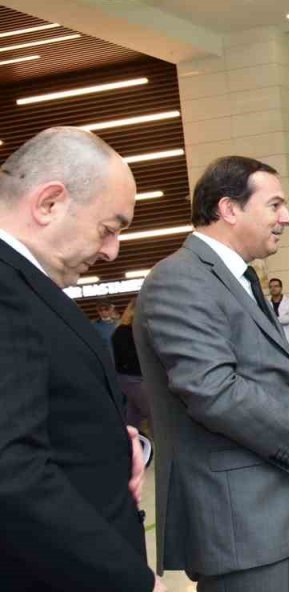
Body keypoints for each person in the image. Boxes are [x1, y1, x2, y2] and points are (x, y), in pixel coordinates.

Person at [136, 156, 289, 591]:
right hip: (241, 523)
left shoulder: (239, 277)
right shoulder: (180, 279)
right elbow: (213, 390)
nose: (287, 218)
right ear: (229, 208)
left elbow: (273, 376)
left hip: (280, 513)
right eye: (274, 205)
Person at [0, 127, 162, 591]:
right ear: (49, 203)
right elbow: (12, 472)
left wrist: (115, 442)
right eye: (108, 229)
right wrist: (134, 583)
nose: (111, 251)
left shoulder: (26, 285)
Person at [112, 299, 151, 431]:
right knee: (152, 412)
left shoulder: (135, 331)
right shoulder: (123, 332)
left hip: (134, 376)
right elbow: (128, 357)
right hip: (132, 377)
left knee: (134, 414)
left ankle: (128, 437)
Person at [269, 277, 289, 352]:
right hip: (273, 335)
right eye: (271, 287)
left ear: (281, 288)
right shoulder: (267, 304)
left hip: (288, 334)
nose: (273, 288)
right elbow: (264, 319)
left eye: (276, 286)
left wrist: (272, 319)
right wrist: (283, 318)